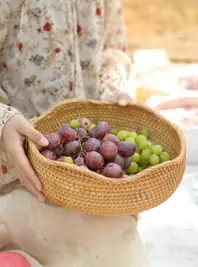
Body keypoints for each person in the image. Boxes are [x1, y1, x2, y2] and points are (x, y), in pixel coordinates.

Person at [0, 0, 150, 266]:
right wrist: (3, 121)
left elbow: (111, 46)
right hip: (14, 180)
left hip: (89, 185)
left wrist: (112, 87)